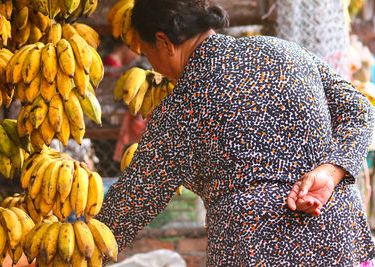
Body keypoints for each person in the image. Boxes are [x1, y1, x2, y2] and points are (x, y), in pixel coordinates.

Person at [96, 0, 375, 265]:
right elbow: (361, 109)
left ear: (164, 43)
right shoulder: (284, 51)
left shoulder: (181, 107)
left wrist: (76, 252)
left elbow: (129, 205)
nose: (153, 66)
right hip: (335, 233)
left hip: (254, 243)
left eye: (149, 54)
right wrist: (331, 171)